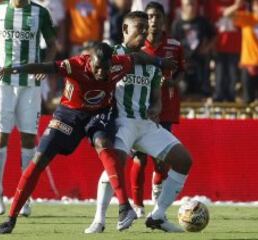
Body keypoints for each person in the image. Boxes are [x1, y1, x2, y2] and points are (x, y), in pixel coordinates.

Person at [0, 42, 177, 234]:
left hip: (99, 113)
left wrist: (160, 62)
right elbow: (47, 67)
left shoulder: (120, 64)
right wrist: (16, 69)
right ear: (89, 61)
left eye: (106, 68)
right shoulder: (75, 64)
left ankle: (124, 207)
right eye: (97, 67)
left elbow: (138, 57)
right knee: (38, 161)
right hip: (69, 115)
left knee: (103, 144)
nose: (101, 73)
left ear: (112, 63)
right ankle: (10, 219)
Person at [85, 11, 192, 234]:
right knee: (115, 164)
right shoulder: (111, 54)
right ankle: (99, 219)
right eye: (139, 27)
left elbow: (155, 96)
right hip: (121, 121)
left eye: (146, 27)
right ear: (125, 30)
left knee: (183, 160)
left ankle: (158, 216)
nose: (145, 31)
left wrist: (156, 107)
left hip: (145, 124)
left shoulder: (151, 61)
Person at [0, 0, 57, 216]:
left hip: (30, 84)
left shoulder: (40, 13)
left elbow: (52, 45)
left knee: (29, 138)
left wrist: (46, 66)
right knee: (1, 136)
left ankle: (25, 195)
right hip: (3, 82)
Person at [129, 1, 186, 218]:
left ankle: (157, 186)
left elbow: (181, 70)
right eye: (150, 16)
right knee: (139, 157)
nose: (153, 21)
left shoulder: (175, 45)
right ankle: (137, 204)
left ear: (163, 20)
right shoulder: (137, 47)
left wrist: (174, 82)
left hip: (167, 107)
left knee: (163, 158)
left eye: (157, 17)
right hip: (141, 107)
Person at [171, 0, 216, 100]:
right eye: (188, 4)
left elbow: (213, 36)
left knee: (202, 92)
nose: (191, 7)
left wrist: (206, 48)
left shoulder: (203, 22)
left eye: (193, 4)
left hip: (201, 62)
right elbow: (173, 43)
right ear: (182, 6)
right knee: (183, 90)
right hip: (184, 62)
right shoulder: (177, 24)